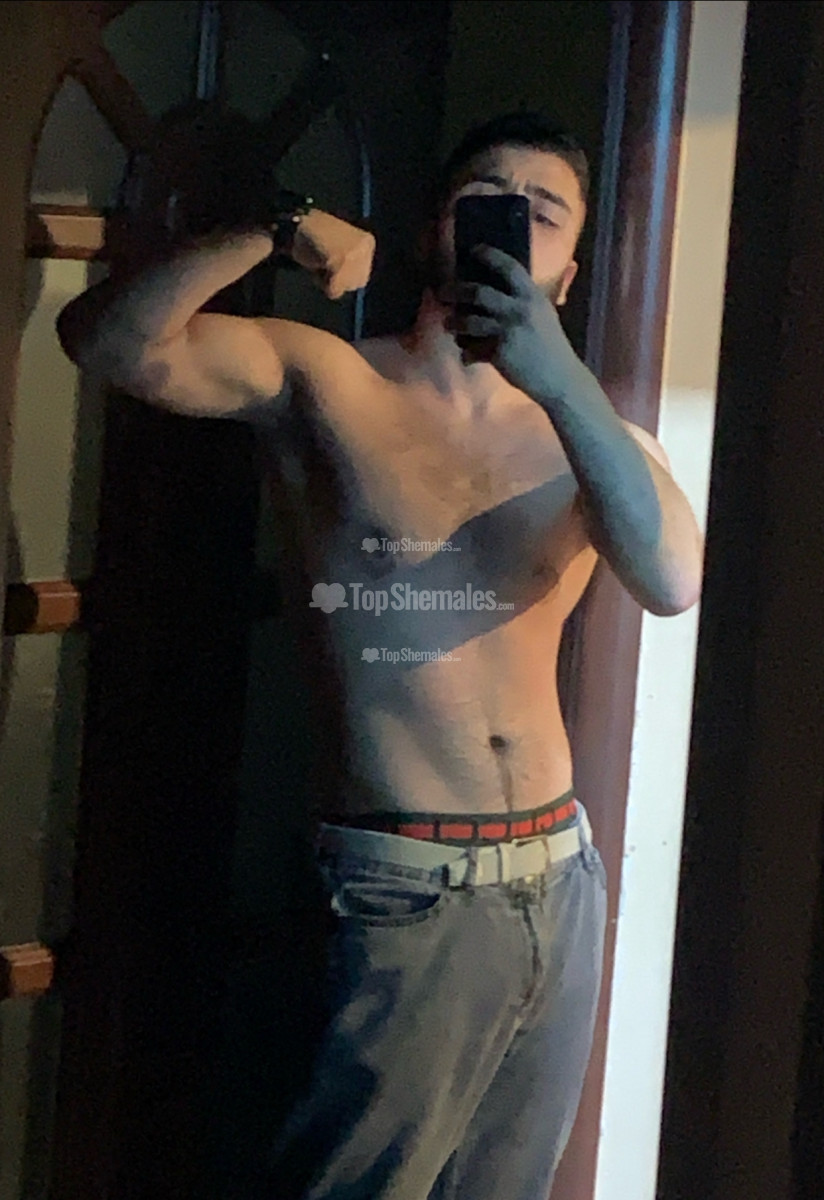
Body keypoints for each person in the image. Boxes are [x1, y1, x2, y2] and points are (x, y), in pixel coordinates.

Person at [57, 111, 703, 1200]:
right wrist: (272, 229)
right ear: (430, 227)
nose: (511, 219)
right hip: (401, 887)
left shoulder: (594, 437)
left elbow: (670, 579)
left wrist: (555, 379)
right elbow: (112, 344)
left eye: (542, 212)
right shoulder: (327, 377)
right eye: (485, 195)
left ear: (568, 270)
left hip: (557, 879)